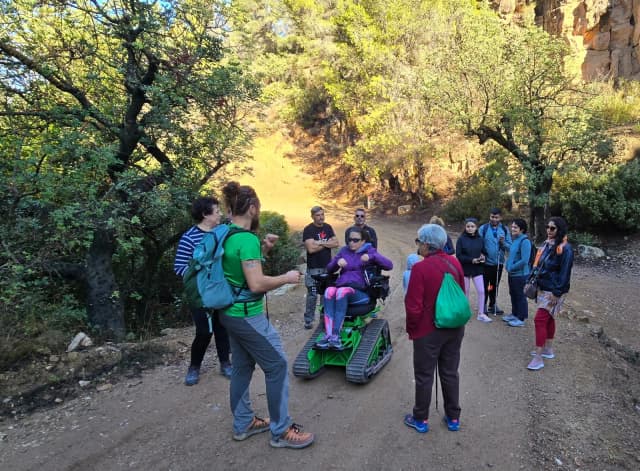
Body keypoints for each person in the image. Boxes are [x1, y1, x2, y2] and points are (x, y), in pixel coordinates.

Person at [219, 181, 315, 449]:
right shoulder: (246, 239)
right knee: (277, 366)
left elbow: (238, 274)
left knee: (242, 367)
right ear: (252, 208)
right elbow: (256, 284)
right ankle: (281, 430)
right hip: (247, 316)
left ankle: (243, 423)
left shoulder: (226, 234)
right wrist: (286, 277)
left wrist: (263, 251)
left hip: (229, 313)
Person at [404, 224, 465, 434]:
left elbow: (413, 307)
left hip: (427, 332)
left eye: (418, 241)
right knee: (450, 372)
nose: (418, 245)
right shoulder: (455, 263)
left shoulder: (420, 269)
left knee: (424, 376)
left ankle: (420, 419)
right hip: (454, 329)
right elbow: (461, 295)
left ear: (427, 245)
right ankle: (453, 418)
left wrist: (412, 330)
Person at [173, 196, 232, 385]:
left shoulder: (221, 234)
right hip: (200, 295)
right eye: (217, 211)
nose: (220, 214)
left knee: (222, 327)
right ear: (206, 215)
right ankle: (194, 367)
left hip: (220, 290)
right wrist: (199, 279)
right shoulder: (189, 237)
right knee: (204, 332)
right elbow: (179, 266)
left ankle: (225, 363)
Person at [316, 227, 393, 349]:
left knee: (341, 291)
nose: (351, 242)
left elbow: (389, 265)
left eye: (355, 240)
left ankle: (336, 337)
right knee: (329, 291)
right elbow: (329, 268)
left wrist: (372, 258)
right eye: (349, 240)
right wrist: (337, 262)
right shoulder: (344, 251)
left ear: (363, 241)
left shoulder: (369, 251)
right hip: (342, 288)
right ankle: (328, 335)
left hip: (361, 293)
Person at [527, 217, 573, 371]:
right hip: (544, 286)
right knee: (548, 318)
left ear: (560, 230)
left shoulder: (565, 248)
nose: (548, 230)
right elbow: (538, 264)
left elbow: (565, 272)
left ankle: (538, 358)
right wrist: (530, 279)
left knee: (540, 319)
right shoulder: (547, 244)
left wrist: (557, 292)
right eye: (547, 227)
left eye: (552, 228)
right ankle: (548, 349)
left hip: (554, 290)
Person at [302, 206, 339, 329]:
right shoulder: (308, 229)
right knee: (312, 295)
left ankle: (324, 319)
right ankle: (309, 320)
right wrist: (327, 243)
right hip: (313, 268)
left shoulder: (328, 227)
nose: (321, 217)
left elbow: (336, 243)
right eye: (318, 215)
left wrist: (319, 242)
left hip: (327, 267)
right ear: (312, 216)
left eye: (322, 214)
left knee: (326, 295)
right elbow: (311, 249)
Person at [455, 218, 491, 323]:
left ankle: (481, 313)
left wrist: (484, 257)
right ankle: (464, 313)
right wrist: (471, 260)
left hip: (477, 268)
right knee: (465, 291)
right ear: (465, 227)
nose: (470, 228)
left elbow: (485, 252)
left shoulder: (480, 239)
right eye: (468, 226)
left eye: (472, 226)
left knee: (481, 290)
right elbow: (459, 255)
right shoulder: (461, 239)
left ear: (476, 227)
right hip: (465, 268)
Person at [478, 208, 512, 314]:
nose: (494, 219)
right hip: (485, 264)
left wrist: (503, 243)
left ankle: (492, 304)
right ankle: (482, 305)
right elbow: (477, 244)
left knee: (493, 285)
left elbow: (510, 247)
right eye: (492, 217)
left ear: (500, 217)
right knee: (484, 285)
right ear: (490, 216)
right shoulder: (483, 229)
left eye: (496, 217)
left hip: (498, 263)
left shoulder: (505, 230)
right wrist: (481, 254)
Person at [503, 218, 532, 327]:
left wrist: (512, 267)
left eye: (515, 227)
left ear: (522, 229)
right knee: (513, 294)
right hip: (513, 274)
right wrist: (508, 265)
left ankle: (521, 318)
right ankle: (514, 314)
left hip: (521, 275)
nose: (512, 229)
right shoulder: (515, 239)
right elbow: (512, 253)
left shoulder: (525, 241)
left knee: (520, 295)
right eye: (512, 227)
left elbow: (525, 260)